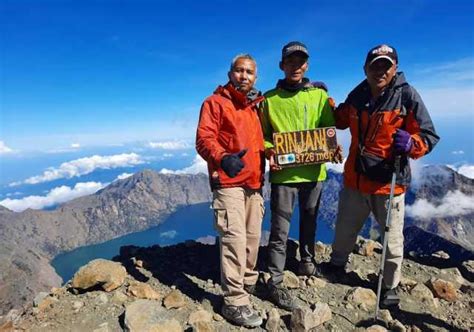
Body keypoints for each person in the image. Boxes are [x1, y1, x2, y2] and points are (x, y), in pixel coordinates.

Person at [326, 44, 439, 307]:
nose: (380, 70)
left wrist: (412, 144)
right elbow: (340, 119)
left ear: (394, 68)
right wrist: (324, 99)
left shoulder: (406, 96)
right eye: (375, 65)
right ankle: (336, 265)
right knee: (344, 229)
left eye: (385, 66)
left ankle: (389, 285)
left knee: (391, 240)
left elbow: (428, 135)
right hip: (356, 179)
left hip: (389, 183)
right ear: (365, 68)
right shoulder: (359, 94)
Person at [259, 41, 341, 310]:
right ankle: (276, 277)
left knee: (310, 221)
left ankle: (307, 263)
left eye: (300, 61)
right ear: (282, 66)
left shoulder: (318, 96)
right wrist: (272, 152)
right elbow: (264, 137)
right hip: (284, 176)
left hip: (314, 172)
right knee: (280, 229)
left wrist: (333, 148)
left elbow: (328, 128)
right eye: (290, 62)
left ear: (307, 65)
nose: (296, 66)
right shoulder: (268, 99)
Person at [195, 54, 265, 327]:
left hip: (254, 183)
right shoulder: (214, 103)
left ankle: (247, 283)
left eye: (249, 72)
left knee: (252, 238)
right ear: (230, 73)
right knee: (234, 239)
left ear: (255, 78)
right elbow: (204, 139)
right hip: (228, 182)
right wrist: (223, 157)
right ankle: (234, 300)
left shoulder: (253, 107)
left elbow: (260, 143)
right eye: (239, 70)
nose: (244, 76)